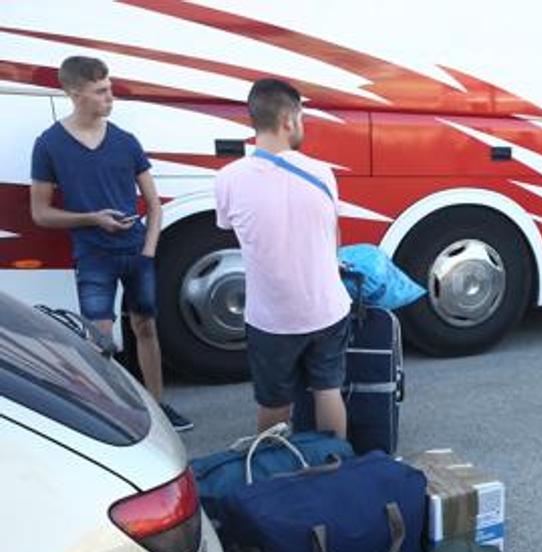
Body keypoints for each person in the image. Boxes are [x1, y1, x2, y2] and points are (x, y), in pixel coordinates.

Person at [29, 56, 192, 431]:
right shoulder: (50, 144)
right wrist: (92, 219)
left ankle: (159, 408)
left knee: (146, 327)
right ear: (74, 93)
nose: (110, 97)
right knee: (98, 338)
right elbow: (41, 213)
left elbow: (153, 203)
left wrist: (149, 252)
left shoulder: (125, 141)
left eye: (110, 88)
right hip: (93, 255)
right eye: (101, 91)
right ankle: (113, 416)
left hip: (136, 251)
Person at [214, 78, 350, 438]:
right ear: (289, 120)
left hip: (271, 317)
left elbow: (233, 227)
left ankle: (275, 477)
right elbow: (331, 231)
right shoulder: (323, 172)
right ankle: (333, 468)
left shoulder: (228, 178)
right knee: (328, 390)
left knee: (274, 403)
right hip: (327, 308)